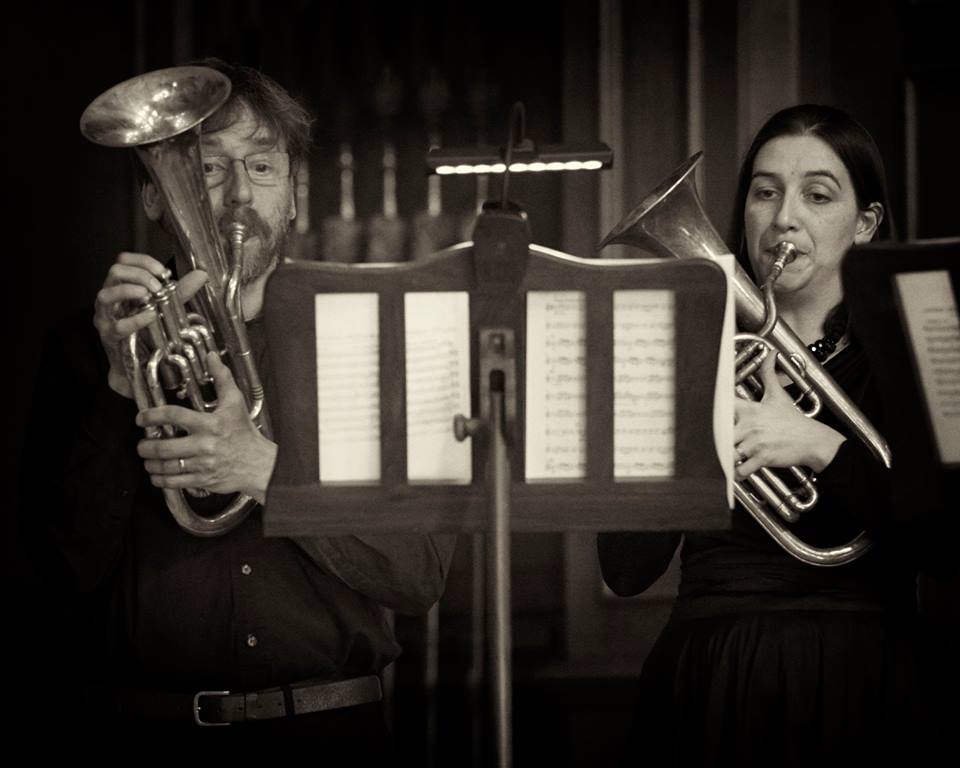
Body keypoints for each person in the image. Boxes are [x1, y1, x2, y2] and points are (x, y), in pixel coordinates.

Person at [23, 58, 455, 764]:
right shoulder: (84, 349)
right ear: (156, 198)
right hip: (144, 732)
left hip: (330, 738)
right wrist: (115, 380)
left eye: (261, 168)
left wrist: (264, 473)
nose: (234, 198)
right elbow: (57, 573)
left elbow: (417, 577)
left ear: (292, 195)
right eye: (206, 169)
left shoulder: (371, 340)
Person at [598, 105, 950, 766]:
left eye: (818, 195)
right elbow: (623, 569)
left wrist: (815, 443)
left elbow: (944, 538)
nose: (784, 217)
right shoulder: (690, 357)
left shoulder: (909, 355)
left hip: (867, 681)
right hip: (712, 676)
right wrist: (685, 421)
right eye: (765, 192)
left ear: (866, 224)